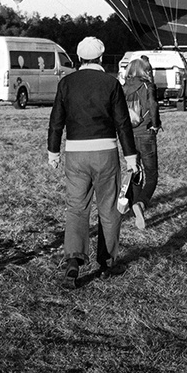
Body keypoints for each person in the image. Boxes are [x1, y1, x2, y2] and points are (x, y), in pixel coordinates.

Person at [47, 37, 138, 288]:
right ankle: (107, 262)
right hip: (105, 153)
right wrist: (131, 157)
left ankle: (73, 260)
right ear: (100, 58)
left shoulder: (66, 83)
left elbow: (56, 121)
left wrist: (53, 152)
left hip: (75, 153)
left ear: (78, 59)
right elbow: (123, 123)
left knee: (76, 208)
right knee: (108, 209)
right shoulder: (110, 83)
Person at [120, 55, 161, 229]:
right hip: (145, 132)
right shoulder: (148, 86)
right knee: (152, 175)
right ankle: (141, 204)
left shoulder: (121, 88)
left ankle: (135, 205)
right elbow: (153, 105)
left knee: (135, 172)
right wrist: (156, 124)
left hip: (128, 136)